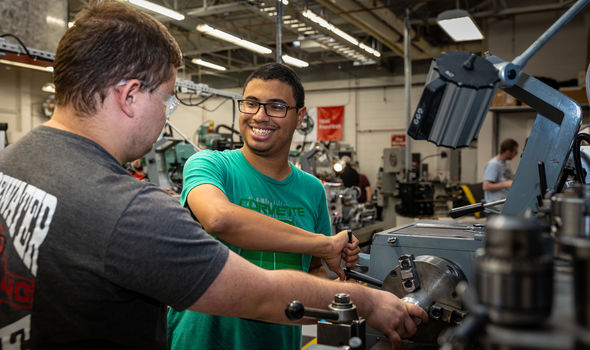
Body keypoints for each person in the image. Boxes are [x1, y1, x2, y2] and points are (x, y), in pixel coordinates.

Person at [0, 2, 427, 349]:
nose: (167, 117)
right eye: (168, 102)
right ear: (130, 96)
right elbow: (258, 290)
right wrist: (368, 300)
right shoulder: (129, 211)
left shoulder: (11, 164)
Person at [167, 63, 360, 350]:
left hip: (277, 342)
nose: (260, 116)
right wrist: (324, 243)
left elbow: (315, 268)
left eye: (276, 106)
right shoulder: (210, 165)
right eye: (251, 104)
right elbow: (219, 219)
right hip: (201, 342)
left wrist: (339, 290)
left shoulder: (312, 190)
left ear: (299, 117)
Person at [483, 138, 519, 209]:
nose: (516, 155)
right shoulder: (493, 165)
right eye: (515, 152)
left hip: (503, 204)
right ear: (508, 151)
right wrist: (505, 184)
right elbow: (486, 186)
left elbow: (509, 178)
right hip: (495, 207)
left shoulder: (506, 164)